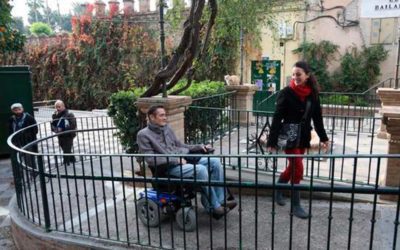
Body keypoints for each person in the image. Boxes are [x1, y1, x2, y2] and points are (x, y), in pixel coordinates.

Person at [137, 105, 237, 218]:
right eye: (161, 115)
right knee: (201, 170)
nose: (165, 117)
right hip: (167, 168)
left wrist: (199, 147)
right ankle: (215, 206)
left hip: (184, 160)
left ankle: (219, 201)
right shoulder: (143, 135)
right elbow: (150, 159)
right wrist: (175, 160)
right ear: (152, 117)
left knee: (214, 162)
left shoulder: (167, 128)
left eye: (165, 115)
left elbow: (180, 145)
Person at [266, 61, 329, 219]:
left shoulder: (312, 94)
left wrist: (323, 137)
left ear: (307, 75)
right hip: (289, 137)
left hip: (303, 137)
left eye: (298, 74)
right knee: (298, 167)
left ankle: (278, 189)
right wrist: (272, 142)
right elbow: (277, 118)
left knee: (293, 166)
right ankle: (296, 206)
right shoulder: (286, 92)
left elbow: (317, 118)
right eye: (293, 74)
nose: (295, 77)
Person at [8, 103, 38, 168]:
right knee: (18, 159)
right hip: (17, 142)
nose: (18, 111)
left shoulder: (29, 117)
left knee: (29, 159)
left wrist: (29, 136)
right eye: (15, 110)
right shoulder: (11, 119)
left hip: (28, 141)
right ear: (12, 111)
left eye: (19, 109)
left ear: (22, 109)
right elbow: (10, 130)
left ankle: (33, 174)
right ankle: (20, 175)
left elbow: (35, 129)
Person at [51, 100, 77, 165]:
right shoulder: (55, 115)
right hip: (60, 136)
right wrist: (55, 129)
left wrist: (63, 129)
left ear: (63, 106)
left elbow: (73, 125)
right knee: (65, 149)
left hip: (68, 136)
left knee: (66, 150)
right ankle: (73, 160)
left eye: (59, 107)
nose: (57, 109)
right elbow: (52, 125)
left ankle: (66, 164)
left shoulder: (69, 114)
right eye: (56, 107)